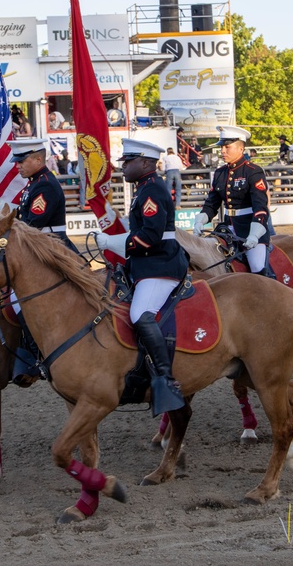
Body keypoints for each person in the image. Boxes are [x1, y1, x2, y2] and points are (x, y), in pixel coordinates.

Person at [96, 138, 187, 415]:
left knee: (140, 314)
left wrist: (114, 243)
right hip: (146, 264)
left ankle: (164, 379)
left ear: (146, 163)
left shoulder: (152, 190)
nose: (123, 166)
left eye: (129, 162)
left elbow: (150, 236)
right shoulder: (144, 189)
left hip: (160, 264)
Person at [5, 138, 79, 386]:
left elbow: (31, 225)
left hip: (49, 250)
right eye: (17, 162)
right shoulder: (33, 185)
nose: (18, 166)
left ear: (38, 159)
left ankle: (36, 356)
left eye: (22, 161)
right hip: (38, 249)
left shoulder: (45, 186)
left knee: (21, 302)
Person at [193, 125, 272, 276]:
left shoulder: (253, 171)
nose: (223, 151)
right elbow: (212, 204)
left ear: (241, 148)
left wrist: (255, 234)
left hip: (251, 228)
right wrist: (200, 221)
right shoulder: (220, 173)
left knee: (257, 268)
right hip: (227, 227)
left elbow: (260, 207)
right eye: (222, 147)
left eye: (227, 147)